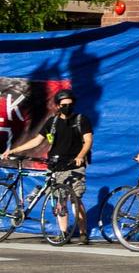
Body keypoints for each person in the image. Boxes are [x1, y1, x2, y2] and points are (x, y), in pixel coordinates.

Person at [2, 89, 92, 244]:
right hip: (55, 166)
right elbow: (37, 141)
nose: (67, 107)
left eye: (70, 104)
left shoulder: (81, 120)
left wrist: (80, 156)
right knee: (59, 201)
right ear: (57, 106)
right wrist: (14, 149)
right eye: (64, 105)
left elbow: (88, 140)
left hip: (74, 166)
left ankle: (83, 233)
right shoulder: (53, 122)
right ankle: (63, 233)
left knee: (75, 199)